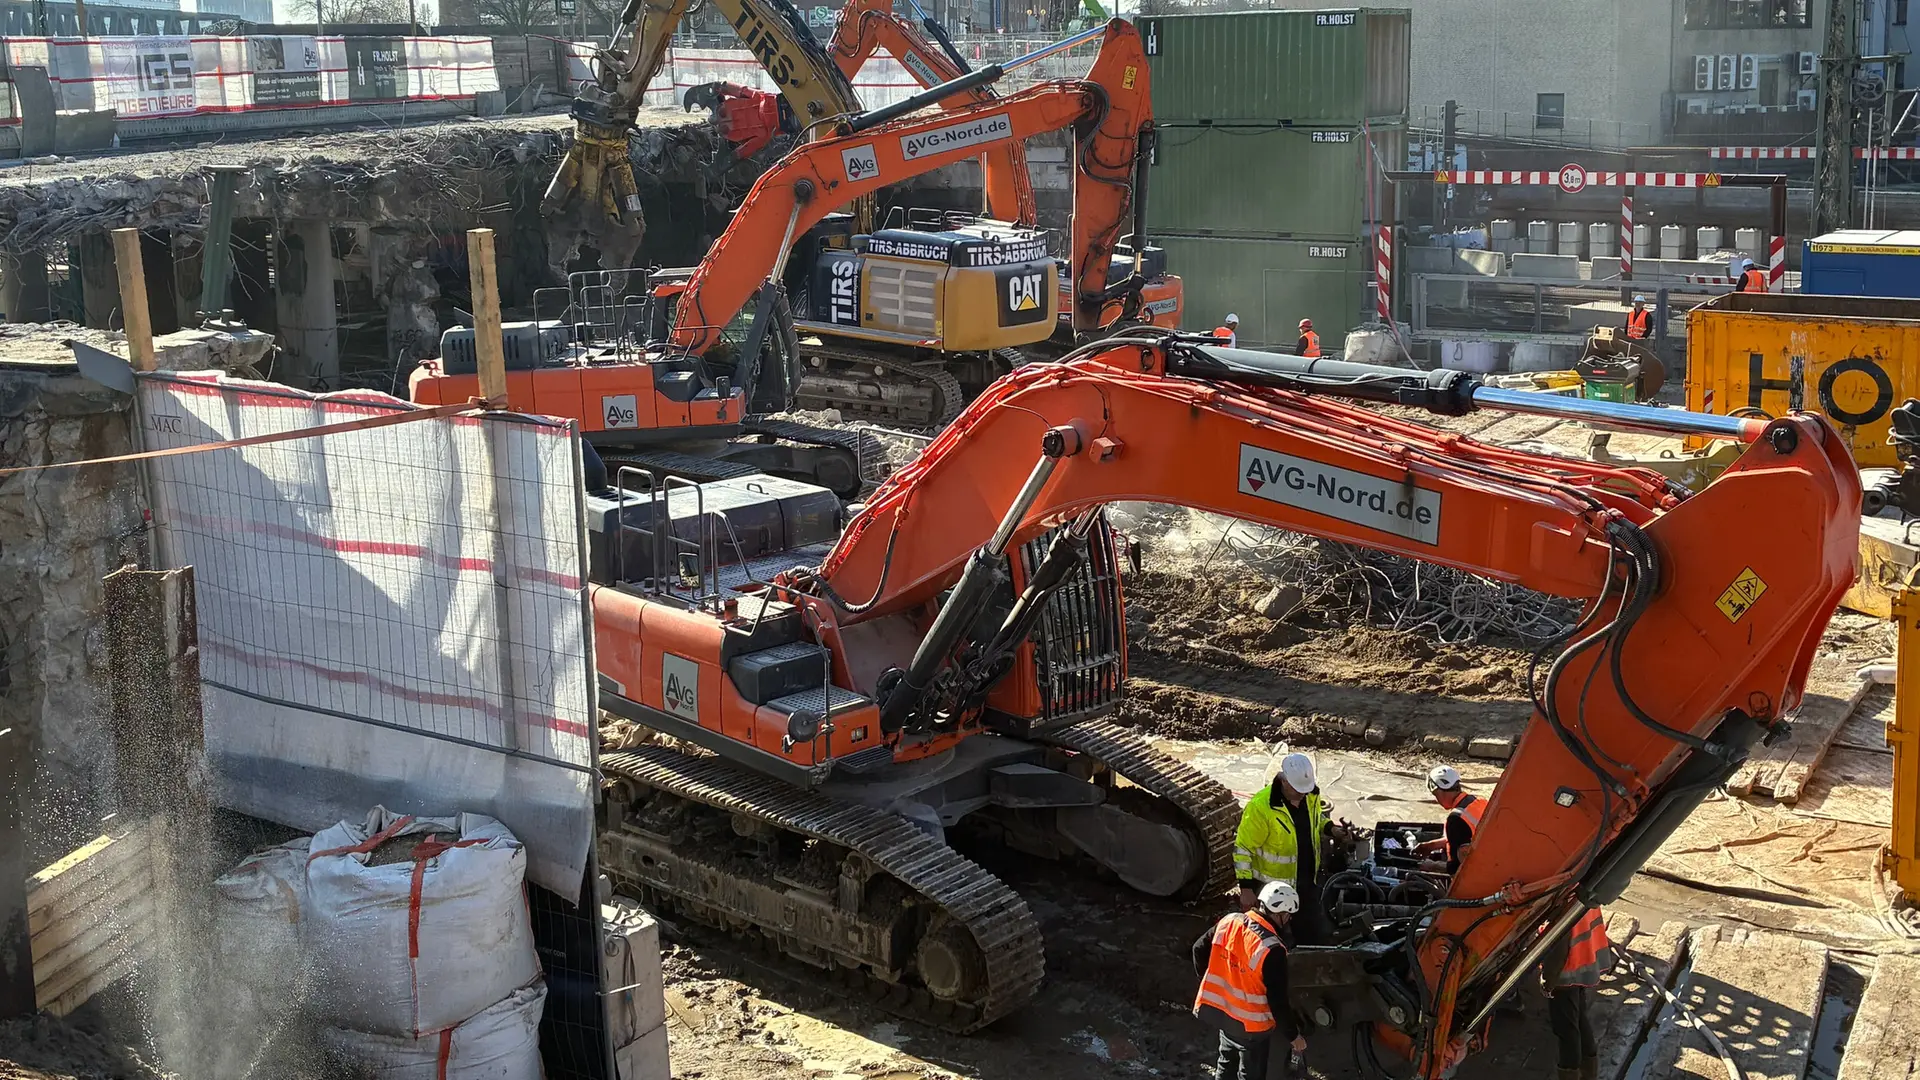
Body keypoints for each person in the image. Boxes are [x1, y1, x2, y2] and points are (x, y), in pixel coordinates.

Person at [1193, 880, 1304, 1080]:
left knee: (1225, 1067)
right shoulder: (1273, 949)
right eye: (1288, 916)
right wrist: (1293, 1036)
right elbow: (1278, 1001)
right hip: (1252, 1027)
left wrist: (1209, 983)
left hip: (1224, 1013)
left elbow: (1198, 949)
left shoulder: (1230, 921)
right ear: (1281, 915)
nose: (1288, 921)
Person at [1234, 752, 1334, 945]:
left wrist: (1331, 828)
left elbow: (1315, 821)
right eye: (1298, 790)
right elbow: (1243, 849)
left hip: (1306, 881)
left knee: (1312, 933)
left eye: (1305, 790)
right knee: (1270, 939)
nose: (1302, 794)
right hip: (1271, 890)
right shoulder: (1260, 808)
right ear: (1284, 780)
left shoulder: (1310, 795)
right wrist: (1246, 889)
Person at [1540, 908, 1617, 1080]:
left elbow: (1557, 946)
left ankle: (1570, 1074)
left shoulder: (1563, 897)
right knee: (1579, 1019)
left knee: (1566, 1031)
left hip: (1566, 973)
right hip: (1583, 964)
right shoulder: (1586, 888)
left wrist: (1548, 980)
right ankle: (1589, 1073)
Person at [1414, 765, 1483, 874]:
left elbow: (1456, 869)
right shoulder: (1476, 802)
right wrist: (1431, 845)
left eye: (1435, 795)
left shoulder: (1455, 819)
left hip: (1478, 873)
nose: (1437, 800)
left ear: (1438, 791)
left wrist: (1432, 865)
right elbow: (1466, 837)